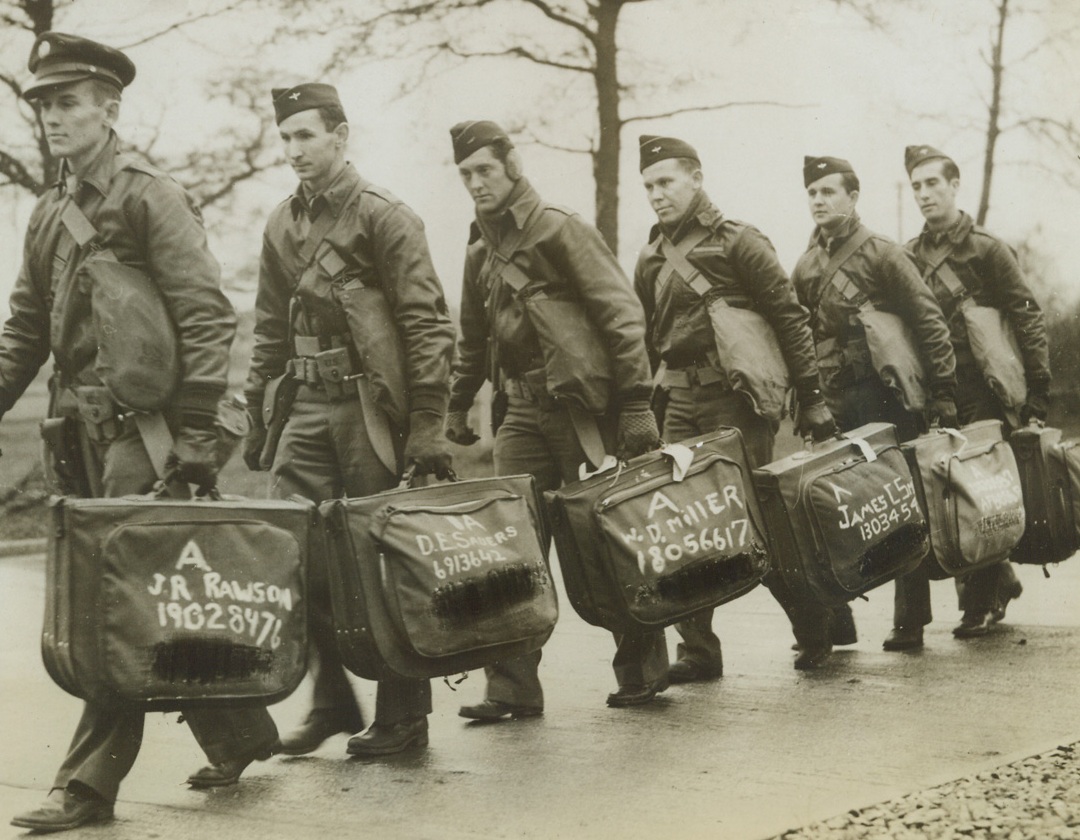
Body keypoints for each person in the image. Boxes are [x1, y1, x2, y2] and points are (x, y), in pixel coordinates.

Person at [5, 33, 275, 832]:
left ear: (109, 108)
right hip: (77, 434)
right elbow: (23, 328)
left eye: (67, 102)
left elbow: (205, 315)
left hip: (145, 433)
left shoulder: (150, 194)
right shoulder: (50, 207)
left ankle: (86, 787)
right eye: (44, 105)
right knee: (155, 595)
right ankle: (240, 725)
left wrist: (195, 440)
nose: (53, 118)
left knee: (110, 604)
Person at [237, 83, 455, 759]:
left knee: (376, 559)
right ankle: (332, 701)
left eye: (307, 135)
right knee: (298, 557)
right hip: (304, 407)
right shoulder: (281, 223)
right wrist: (256, 411)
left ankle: (404, 712)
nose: (295, 150)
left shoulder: (386, 217)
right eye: (287, 138)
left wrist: (426, 427)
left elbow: (426, 326)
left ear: (341, 135)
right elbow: (271, 328)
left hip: (367, 408)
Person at [444, 120, 668, 713]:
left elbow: (621, 317)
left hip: (581, 412)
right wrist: (457, 402)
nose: (475, 183)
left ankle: (642, 668)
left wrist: (637, 403)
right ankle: (513, 687)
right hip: (519, 411)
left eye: (484, 170)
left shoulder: (560, 229)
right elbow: (471, 339)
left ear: (512, 164)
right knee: (509, 544)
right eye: (466, 174)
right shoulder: (477, 251)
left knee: (608, 534)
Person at [633, 135, 846, 673]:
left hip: (737, 400)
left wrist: (813, 398)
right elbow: (644, 337)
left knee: (751, 518)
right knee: (682, 526)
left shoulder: (740, 242)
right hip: (678, 401)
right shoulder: (651, 255)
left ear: (696, 178)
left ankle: (813, 620)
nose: (657, 195)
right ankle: (699, 651)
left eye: (666, 182)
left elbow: (790, 319)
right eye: (649, 186)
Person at [790, 155, 959, 653]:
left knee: (898, 507)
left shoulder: (883, 253)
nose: (819, 201)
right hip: (831, 400)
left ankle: (910, 621)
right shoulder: (805, 264)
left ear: (853, 197)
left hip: (883, 397)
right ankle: (836, 620)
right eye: (813, 194)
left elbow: (930, 322)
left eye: (829, 192)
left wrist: (944, 393)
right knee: (825, 507)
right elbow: (799, 333)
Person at [885, 144, 1051, 648]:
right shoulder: (908, 254)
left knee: (975, 490)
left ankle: (979, 603)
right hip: (933, 391)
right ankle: (989, 582)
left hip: (981, 389)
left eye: (933, 183)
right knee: (930, 493)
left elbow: (1027, 316)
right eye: (916, 186)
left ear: (955, 185)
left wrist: (1038, 391)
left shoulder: (987, 250)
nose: (924, 194)